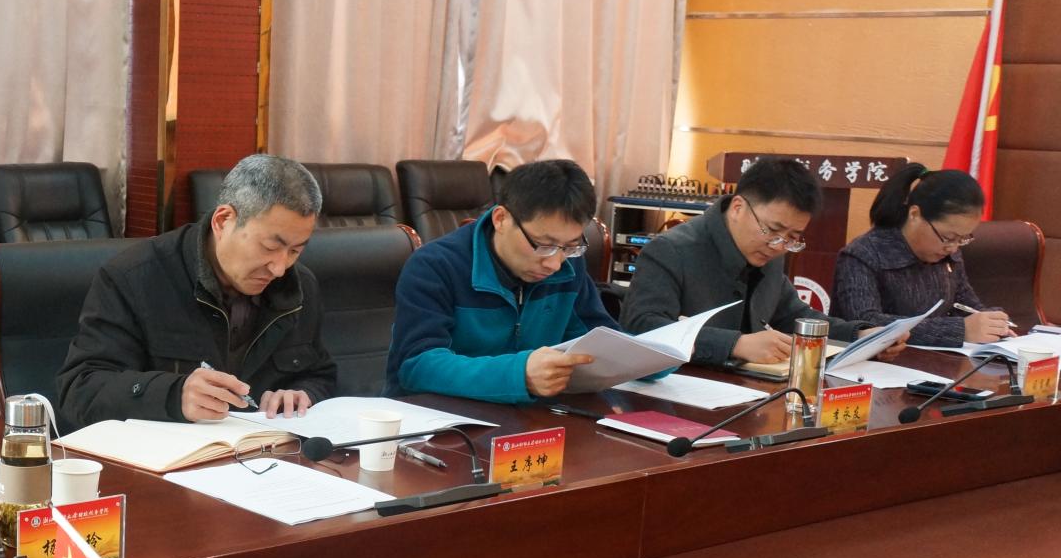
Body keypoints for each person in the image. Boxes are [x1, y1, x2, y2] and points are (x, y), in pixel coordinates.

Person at [57, 153, 337, 430]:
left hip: (264, 451)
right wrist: (173, 395)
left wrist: (303, 394)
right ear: (223, 220)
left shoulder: (299, 286)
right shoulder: (134, 277)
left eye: (295, 251)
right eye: (270, 247)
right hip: (164, 453)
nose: (280, 268)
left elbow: (320, 375)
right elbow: (81, 390)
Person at [385, 158, 615, 404]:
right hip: (441, 417)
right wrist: (519, 374)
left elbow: (600, 341)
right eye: (543, 245)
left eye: (570, 246)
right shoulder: (435, 266)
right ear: (501, 219)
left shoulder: (568, 265)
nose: (555, 263)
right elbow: (417, 366)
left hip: (531, 417)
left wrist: (642, 359)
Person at [622, 156, 873, 367]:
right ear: (737, 208)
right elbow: (643, 326)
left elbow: (794, 315)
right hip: (676, 389)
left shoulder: (767, 253)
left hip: (746, 392)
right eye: (772, 230)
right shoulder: (670, 250)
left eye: (792, 237)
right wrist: (736, 345)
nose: (779, 246)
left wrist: (859, 335)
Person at [835, 164, 1008, 347]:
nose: (953, 248)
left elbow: (967, 306)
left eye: (962, 239)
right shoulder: (863, 254)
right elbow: (866, 323)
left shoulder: (948, 255)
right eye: (948, 237)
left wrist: (991, 322)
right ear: (915, 214)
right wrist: (959, 330)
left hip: (938, 360)